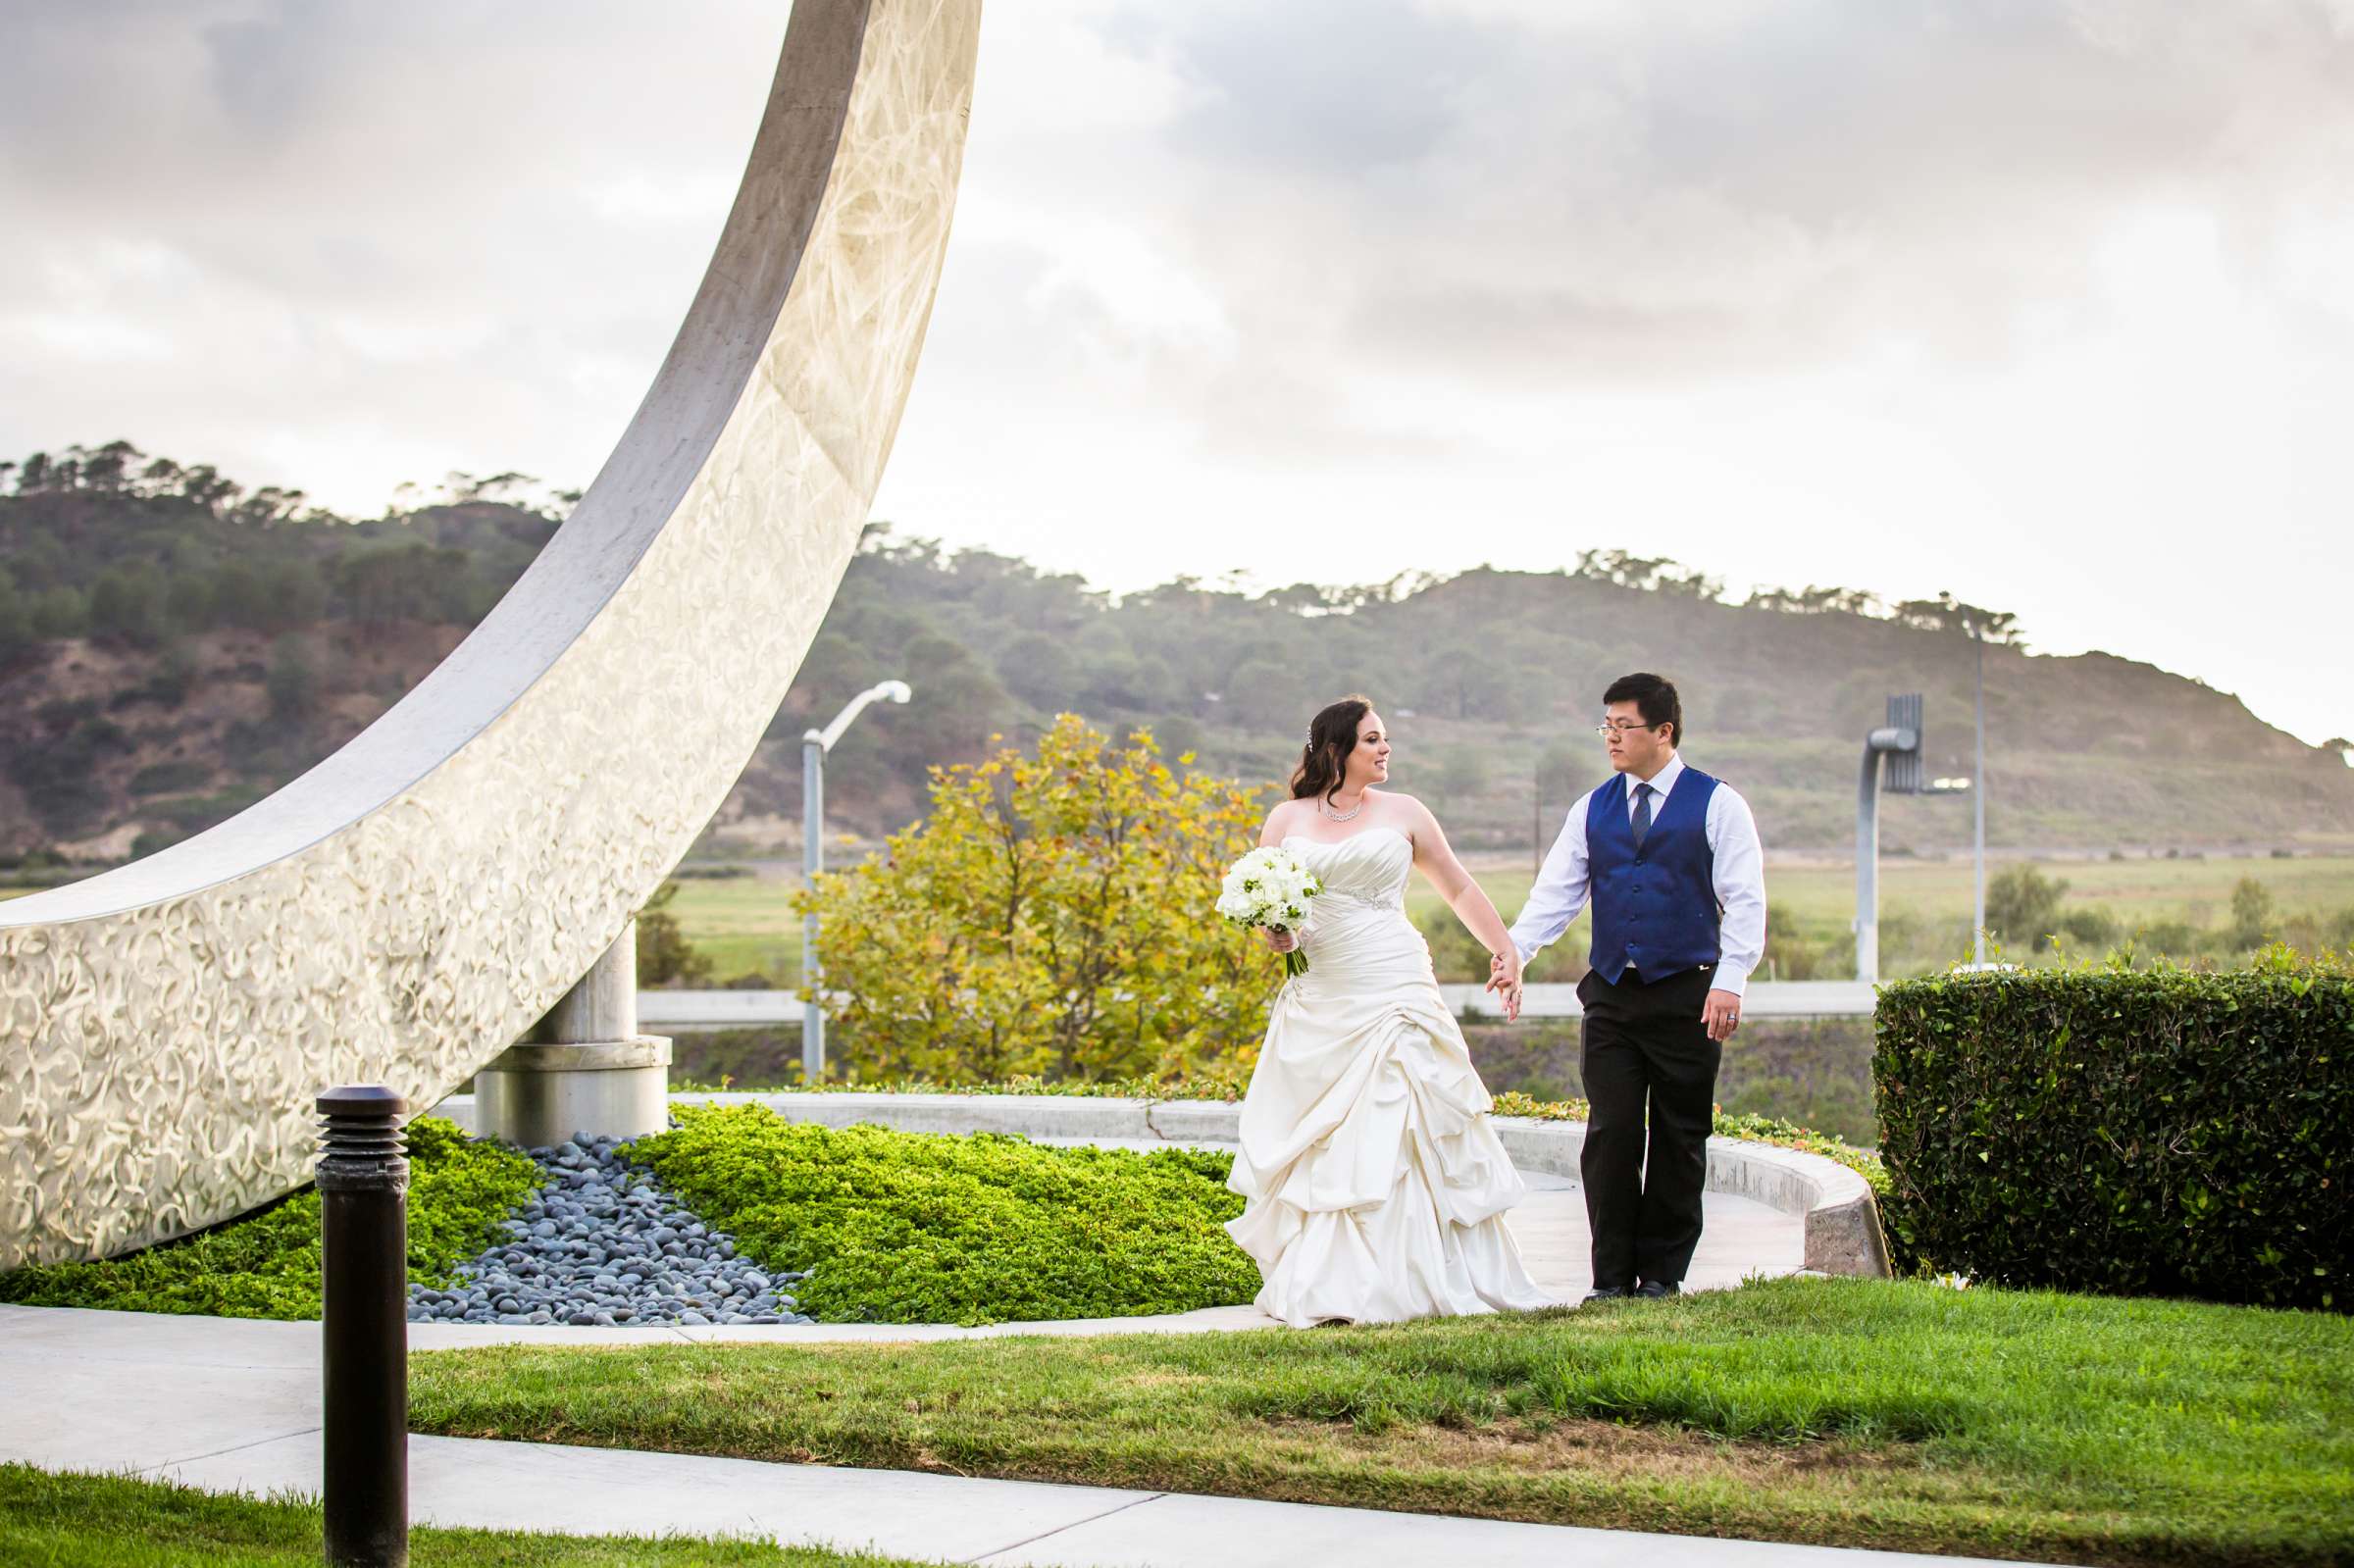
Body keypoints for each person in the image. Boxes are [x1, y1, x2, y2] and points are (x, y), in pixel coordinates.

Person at [1224, 695, 1557, 1327]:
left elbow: (1456, 884)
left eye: (1386, 740)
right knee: (1329, 1132)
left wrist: (1506, 950)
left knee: (1405, 1111)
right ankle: (1333, 1282)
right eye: (1372, 740)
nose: (1385, 750)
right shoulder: (1285, 819)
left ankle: (1426, 1276)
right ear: (1337, 750)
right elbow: (1270, 908)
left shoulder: (1405, 812)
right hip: (1323, 986)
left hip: (1395, 978)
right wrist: (1278, 934)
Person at [1499, 672, 1766, 1303]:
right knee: (1611, 1133)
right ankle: (1611, 1278)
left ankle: (1662, 1276)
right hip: (1613, 994)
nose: (1612, 738)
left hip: (1690, 993)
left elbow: (1745, 899)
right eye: (1606, 726)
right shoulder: (1591, 808)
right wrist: (1515, 952)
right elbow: (1556, 895)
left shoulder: (1719, 803)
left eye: (1625, 726)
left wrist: (1731, 981)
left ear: (1664, 732)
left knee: (1680, 1134)